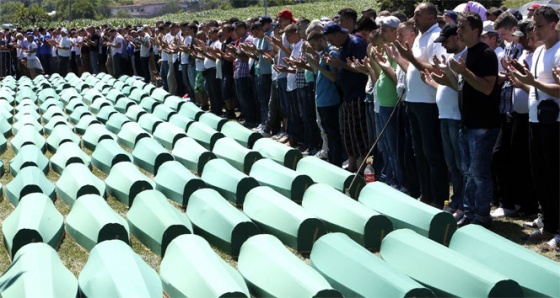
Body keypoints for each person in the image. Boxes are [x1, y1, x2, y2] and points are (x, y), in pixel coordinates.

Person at [510, 6, 559, 249]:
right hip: (535, 120)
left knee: (555, 177)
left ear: (553, 25)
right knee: (541, 177)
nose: (535, 30)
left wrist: (531, 81)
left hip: (554, 124)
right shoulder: (539, 51)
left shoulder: (559, 50)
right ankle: (549, 224)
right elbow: (537, 88)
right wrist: (523, 82)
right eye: (534, 26)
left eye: (539, 26)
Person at [395, 2, 448, 207]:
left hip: (428, 103)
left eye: (418, 14)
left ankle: (438, 197)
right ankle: (425, 195)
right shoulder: (419, 37)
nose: (414, 17)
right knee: (419, 152)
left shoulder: (436, 37)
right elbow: (413, 66)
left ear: (431, 18)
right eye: (414, 13)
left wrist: (411, 59)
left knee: (432, 153)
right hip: (413, 101)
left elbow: (436, 68)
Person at [451, 11, 500, 227]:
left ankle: (481, 215)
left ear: (476, 31)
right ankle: (469, 212)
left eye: (462, 27)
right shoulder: (467, 53)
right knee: (468, 173)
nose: (458, 31)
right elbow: (465, 86)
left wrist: (465, 71)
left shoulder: (486, 54)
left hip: (483, 124)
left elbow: (488, 88)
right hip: (467, 123)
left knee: (479, 174)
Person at [424, 23, 467, 220]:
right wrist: (433, 81)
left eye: (447, 41)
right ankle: (457, 199)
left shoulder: (463, 56)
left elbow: (458, 85)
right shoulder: (451, 58)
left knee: (460, 164)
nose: (445, 45)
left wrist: (445, 72)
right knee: (452, 164)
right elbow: (447, 85)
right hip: (445, 115)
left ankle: (464, 202)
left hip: (456, 117)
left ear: (457, 38)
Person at [324, 21, 369, 172]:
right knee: (348, 131)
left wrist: (340, 64)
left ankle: (362, 165)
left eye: (331, 40)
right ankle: (352, 163)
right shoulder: (343, 46)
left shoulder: (355, 43)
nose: (331, 43)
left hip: (358, 94)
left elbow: (362, 68)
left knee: (358, 130)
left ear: (338, 35)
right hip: (348, 95)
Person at [306, 30, 343, 166]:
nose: (313, 47)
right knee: (327, 133)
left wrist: (315, 64)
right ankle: (331, 159)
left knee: (333, 134)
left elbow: (333, 76)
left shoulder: (331, 53)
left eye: (314, 44)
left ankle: (336, 162)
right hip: (322, 100)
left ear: (321, 40)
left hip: (330, 100)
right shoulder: (322, 55)